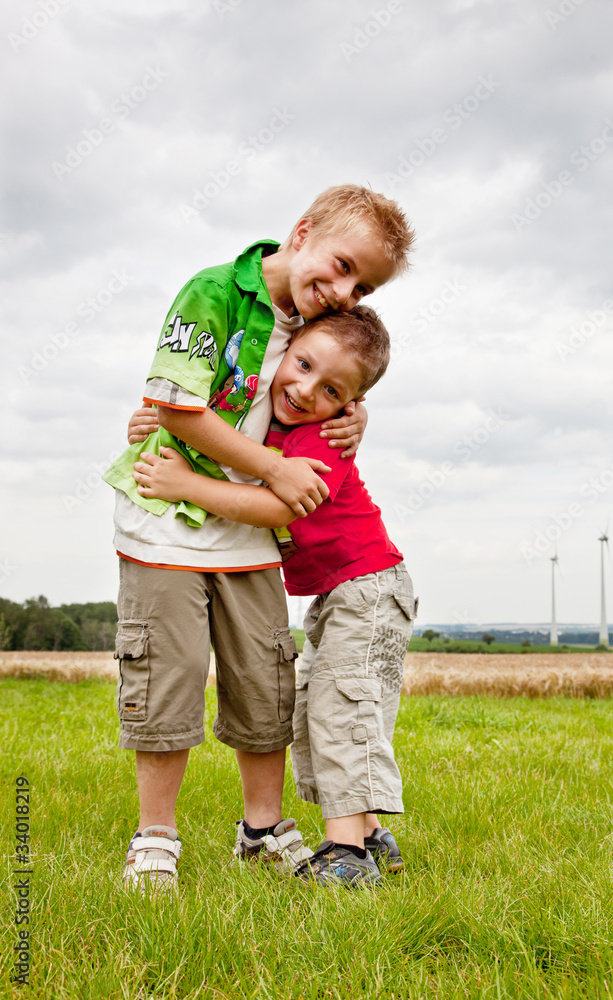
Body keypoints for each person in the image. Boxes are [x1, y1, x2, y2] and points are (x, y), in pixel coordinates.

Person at [102, 185, 415, 890]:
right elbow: (178, 402)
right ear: (300, 233)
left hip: (250, 541)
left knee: (265, 688)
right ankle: (155, 835)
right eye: (338, 267)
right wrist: (265, 462)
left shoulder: (315, 334)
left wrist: (355, 417)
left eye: (360, 285)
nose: (341, 291)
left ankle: (264, 828)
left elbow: (332, 385)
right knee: (166, 680)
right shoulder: (215, 292)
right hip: (168, 525)